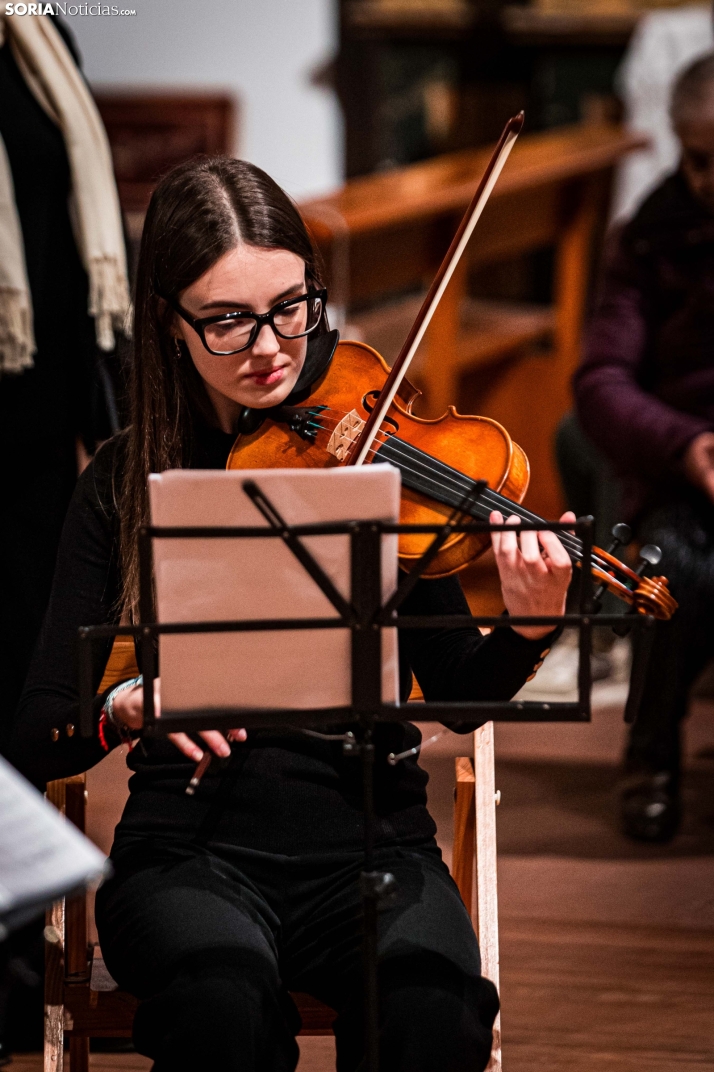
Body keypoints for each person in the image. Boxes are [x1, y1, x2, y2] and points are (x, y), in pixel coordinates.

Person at [7, 157, 573, 1072]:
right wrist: (127, 706)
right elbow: (37, 731)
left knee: (435, 1019)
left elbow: (461, 696)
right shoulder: (121, 482)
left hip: (374, 838)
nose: (271, 346)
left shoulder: (371, 454)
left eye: (292, 304)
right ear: (172, 325)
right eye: (229, 319)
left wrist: (529, 624)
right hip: (190, 850)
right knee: (217, 1012)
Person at [0, 12, 129, 1059]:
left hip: (35, 445)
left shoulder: (39, 31)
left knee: (21, 701)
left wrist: (121, 436)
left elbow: (81, 251)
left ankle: (12, 968)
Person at [575, 52, 714, 843]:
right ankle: (649, 756)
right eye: (696, 159)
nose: (708, 182)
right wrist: (688, 443)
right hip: (686, 478)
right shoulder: (651, 235)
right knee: (664, 568)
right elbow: (601, 383)